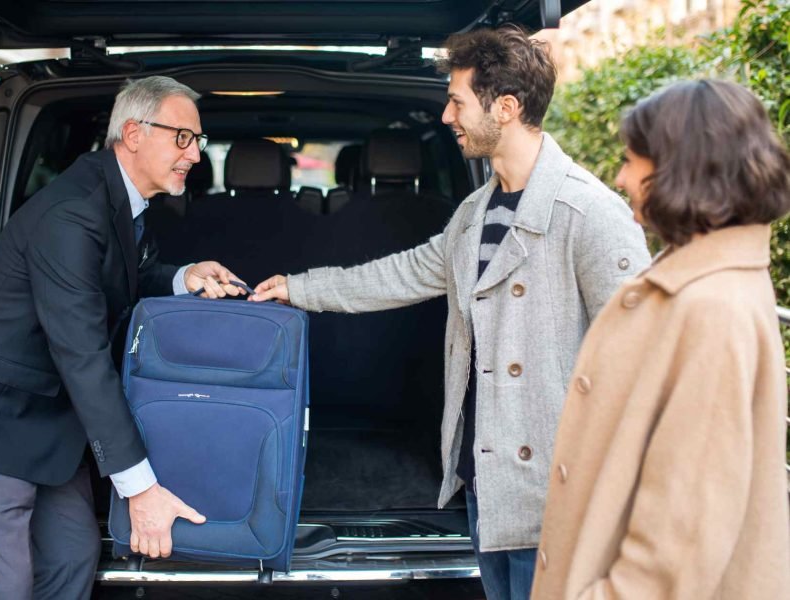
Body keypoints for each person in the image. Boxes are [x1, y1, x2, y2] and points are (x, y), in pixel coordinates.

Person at [252, 26, 651, 600]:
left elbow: (639, 362)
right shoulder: (472, 213)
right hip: (484, 484)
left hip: (562, 500)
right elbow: (400, 274)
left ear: (506, 108)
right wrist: (298, 287)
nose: (445, 116)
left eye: (458, 100)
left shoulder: (589, 214)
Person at [0, 76, 246, 599]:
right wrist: (142, 489)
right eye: (184, 138)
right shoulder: (73, 212)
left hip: (47, 417)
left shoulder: (119, 196)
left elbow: (119, 277)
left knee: (71, 556)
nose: (195, 156)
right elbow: (82, 354)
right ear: (134, 132)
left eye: (196, 141)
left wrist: (184, 277)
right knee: (6, 582)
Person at [530, 79, 790, 599]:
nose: (621, 176)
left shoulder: (710, 308)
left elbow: (681, 538)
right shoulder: (709, 281)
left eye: (631, 160)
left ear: (680, 169)